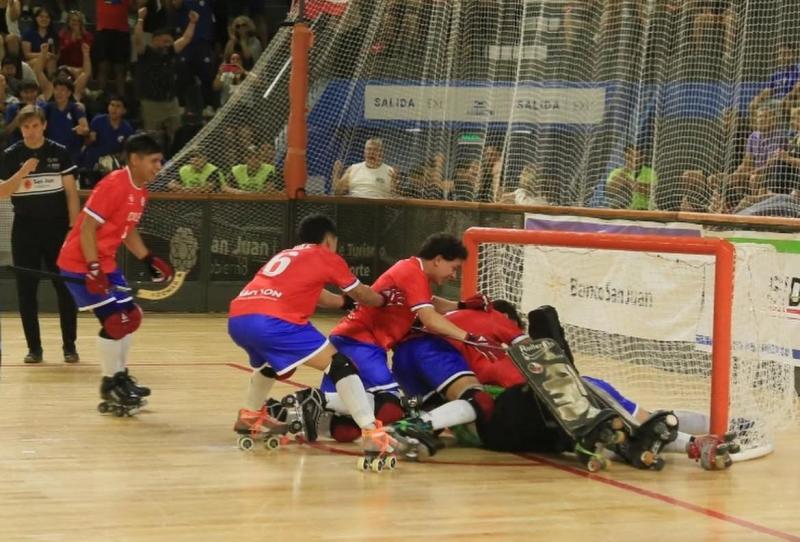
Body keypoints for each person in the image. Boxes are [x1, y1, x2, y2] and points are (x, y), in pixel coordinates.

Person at [227, 214, 402, 465]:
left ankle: (249, 417)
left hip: (239, 318)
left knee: (269, 366)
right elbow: (362, 294)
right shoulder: (325, 256)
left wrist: (342, 302)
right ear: (329, 240)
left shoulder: (286, 255)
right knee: (340, 364)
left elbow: (317, 294)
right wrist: (384, 300)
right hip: (273, 321)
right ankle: (371, 432)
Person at [318, 233, 487, 442]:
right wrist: (471, 338)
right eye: (454, 268)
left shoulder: (413, 271)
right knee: (390, 407)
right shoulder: (412, 272)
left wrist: (461, 305)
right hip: (362, 344)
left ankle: (312, 409)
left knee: (345, 430)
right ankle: (315, 401)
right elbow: (430, 319)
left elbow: (430, 302)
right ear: (438, 260)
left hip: (351, 340)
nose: (453, 275)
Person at [56, 133, 174, 414]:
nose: (159, 166)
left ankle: (121, 377)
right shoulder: (113, 184)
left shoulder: (140, 191)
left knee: (131, 317)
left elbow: (127, 230)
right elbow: (87, 228)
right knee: (115, 322)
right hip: (79, 262)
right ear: (134, 159)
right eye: (154, 161)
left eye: (160, 161)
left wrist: (147, 258)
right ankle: (109, 385)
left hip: (104, 262)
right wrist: (93, 268)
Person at [0, 104, 79, 363]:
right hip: (25, 230)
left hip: (58, 229)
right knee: (26, 289)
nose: (31, 131)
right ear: (20, 129)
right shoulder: (11, 155)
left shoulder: (60, 152)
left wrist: (73, 229)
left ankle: (70, 346)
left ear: (44, 125)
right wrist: (23, 171)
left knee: (64, 288)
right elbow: (2, 192)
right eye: (26, 127)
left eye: (35, 126)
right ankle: (34, 349)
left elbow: (71, 194)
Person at [133, 7, 198, 147]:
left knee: (177, 134)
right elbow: (138, 38)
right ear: (154, 40)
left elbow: (186, 39)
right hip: (151, 102)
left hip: (170, 101)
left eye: (169, 41)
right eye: (164, 41)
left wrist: (192, 22)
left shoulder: (170, 51)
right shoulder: (145, 53)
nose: (167, 44)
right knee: (152, 137)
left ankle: (175, 157)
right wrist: (140, 19)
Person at [81, 95, 135, 187]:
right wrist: (89, 137)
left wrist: (117, 162)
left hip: (113, 168)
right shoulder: (98, 120)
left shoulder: (127, 128)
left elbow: (126, 150)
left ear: (124, 111)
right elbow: (87, 143)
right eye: (112, 105)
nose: (114, 109)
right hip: (93, 165)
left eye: (118, 106)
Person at [332, 137, 397, 198]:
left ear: (382, 153)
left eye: (375, 150)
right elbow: (337, 192)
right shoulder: (353, 169)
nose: (371, 152)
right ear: (364, 152)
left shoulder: (390, 171)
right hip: (354, 204)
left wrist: (395, 184)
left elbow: (395, 196)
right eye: (369, 149)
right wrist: (336, 173)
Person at [605, 144, 656, 210]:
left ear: (642, 157)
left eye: (635, 155)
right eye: (629, 157)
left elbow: (652, 192)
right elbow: (609, 192)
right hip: (621, 209)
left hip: (643, 209)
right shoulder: (616, 172)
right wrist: (625, 171)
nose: (632, 158)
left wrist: (631, 183)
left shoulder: (650, 172)